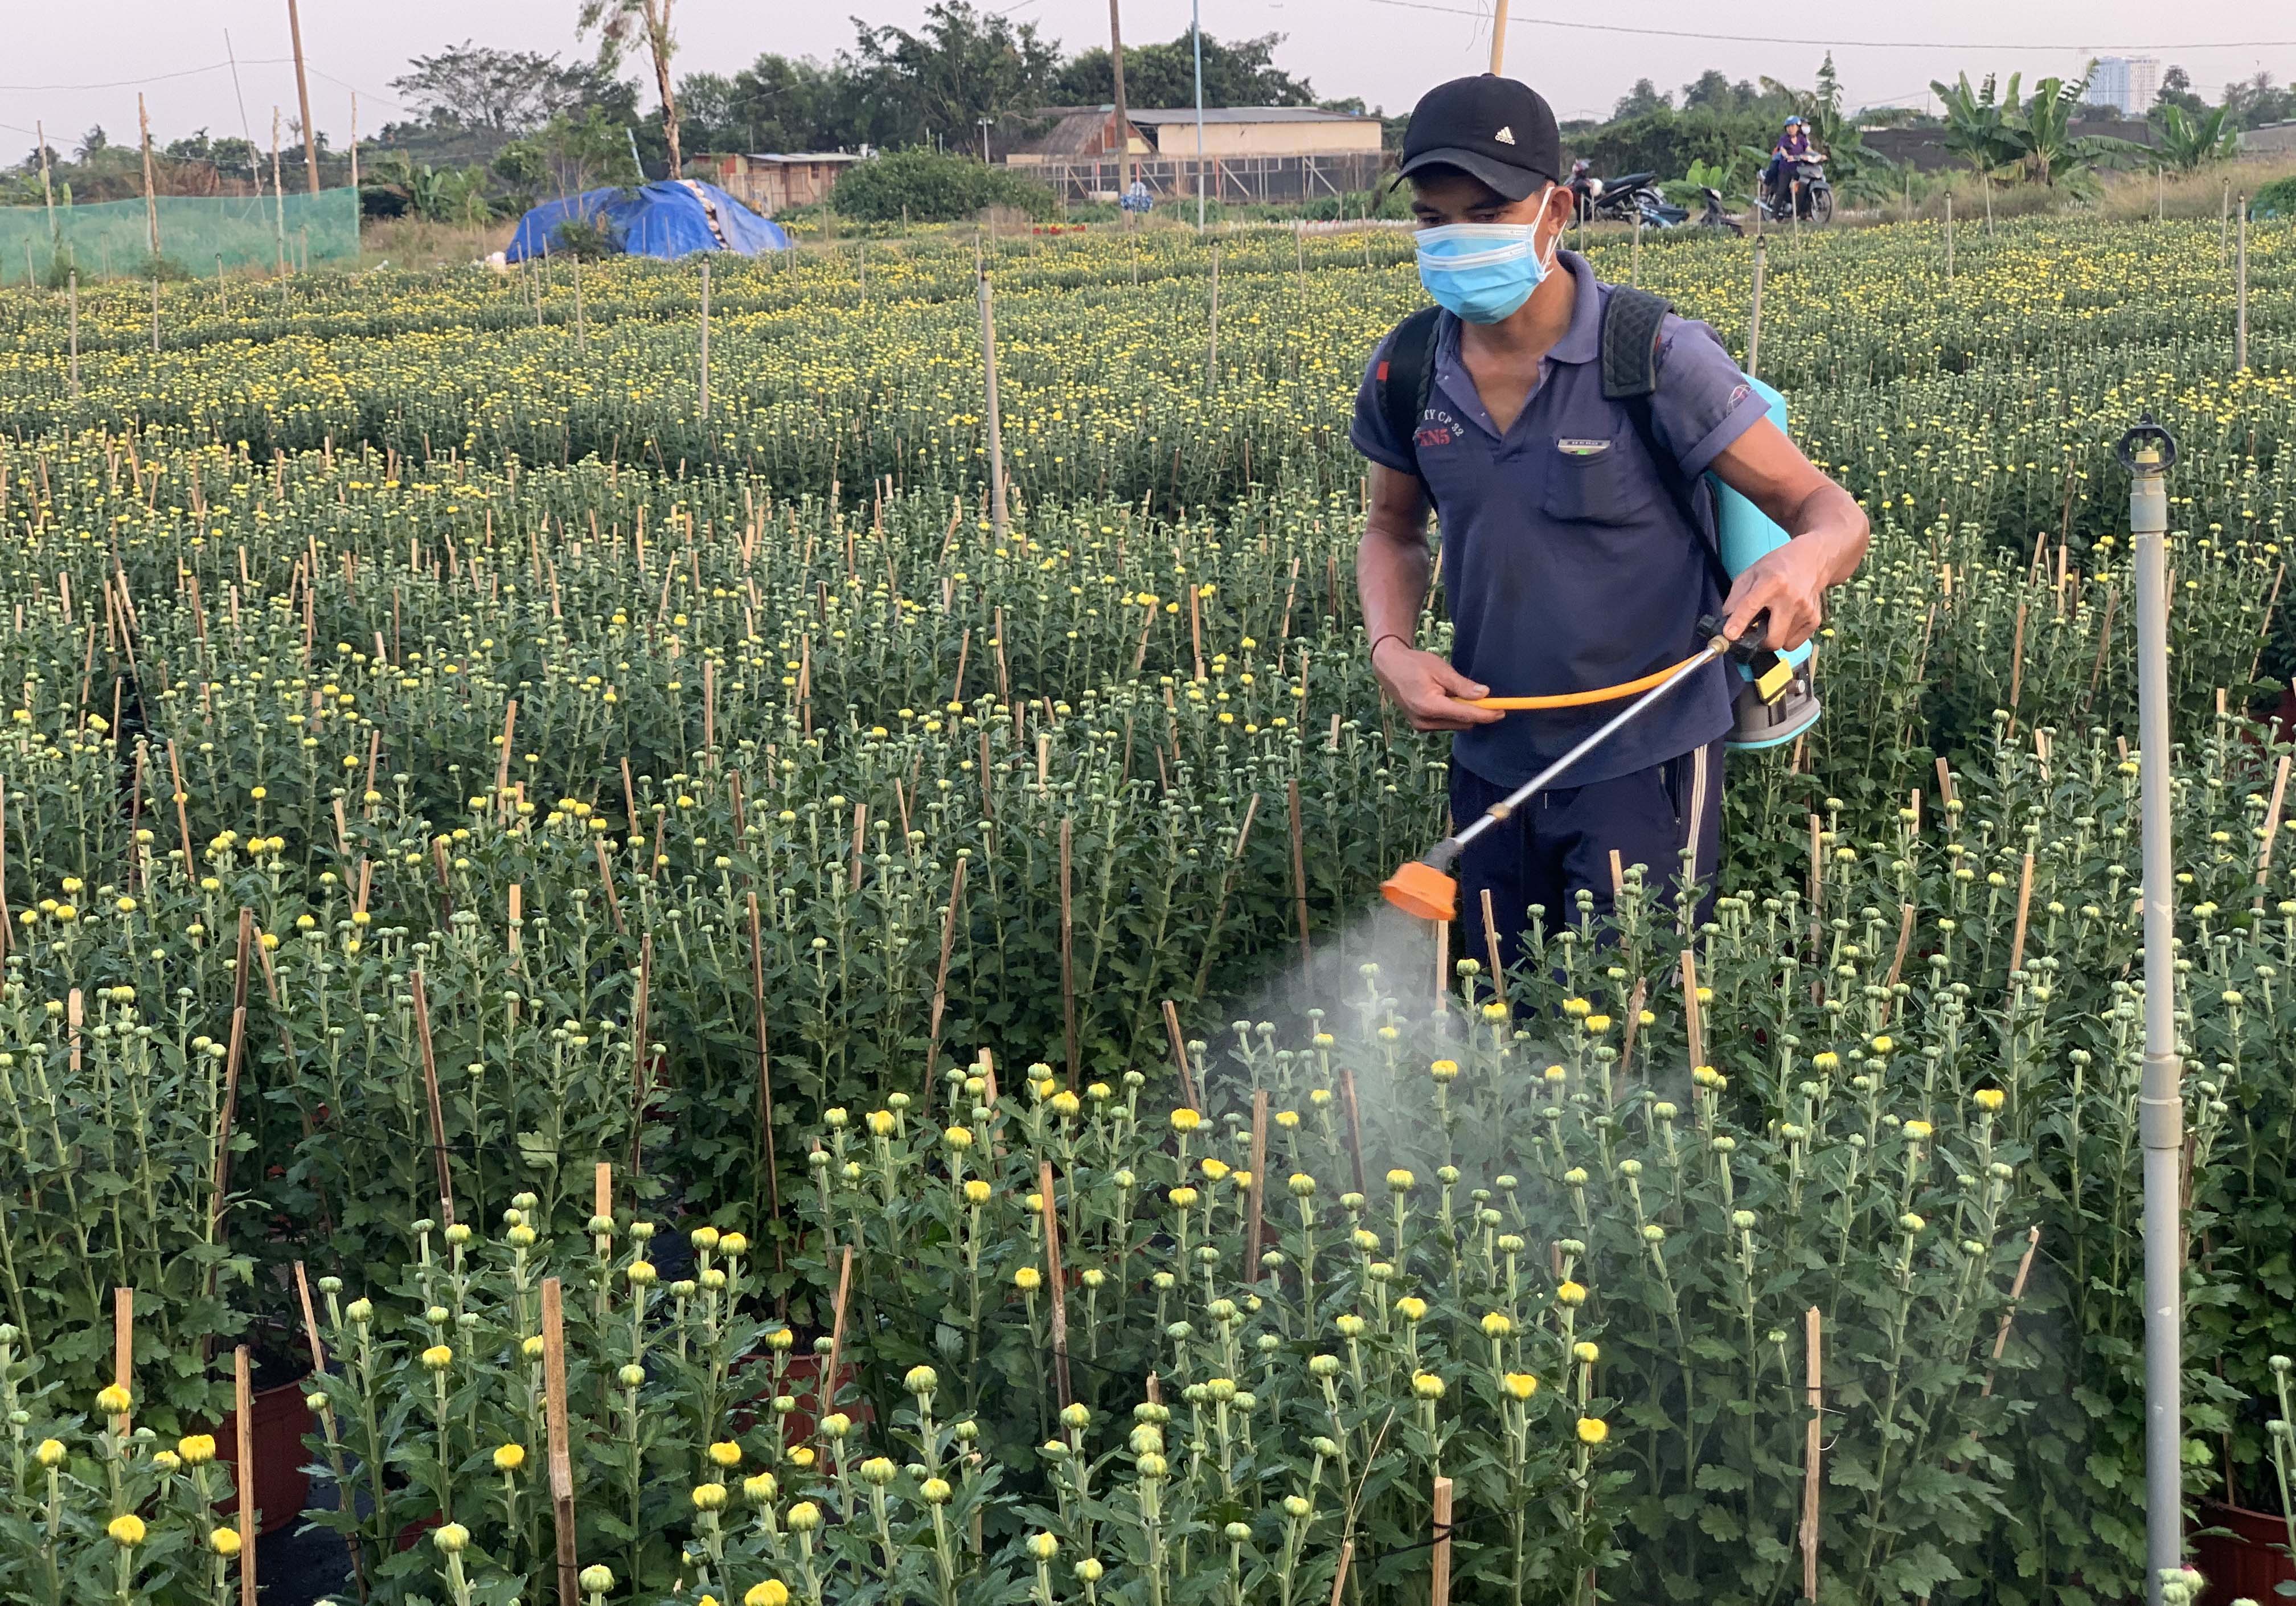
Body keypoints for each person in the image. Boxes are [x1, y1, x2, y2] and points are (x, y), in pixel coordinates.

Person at [1352, 74, 1867, 969]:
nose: (1457, 239)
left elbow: (1826, 511)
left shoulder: (1655, 354)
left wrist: (1805, 565)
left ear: (1556, 210)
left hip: (1645, 756)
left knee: (1636, 1019)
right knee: (1495, 1014)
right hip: (1489, 751)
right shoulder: (1407, 369)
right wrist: (1391, 649)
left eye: (1487, 212)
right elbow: (1393, 530)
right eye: (1435, 220)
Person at [1764, 115, 1814, 210]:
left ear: (1797, 127)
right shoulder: (1784, 139)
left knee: (1804, 188)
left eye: (1792, 126)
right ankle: (1774, 216)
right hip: (1785, 167)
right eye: (1788, 127)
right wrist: (1787, 156)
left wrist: (1818, 156)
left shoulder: (1802, 139)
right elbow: (1782, 149)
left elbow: (1809, 150)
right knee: (1781, 191)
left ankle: (1803, 212)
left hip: (1798, 168)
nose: (1790, 129)